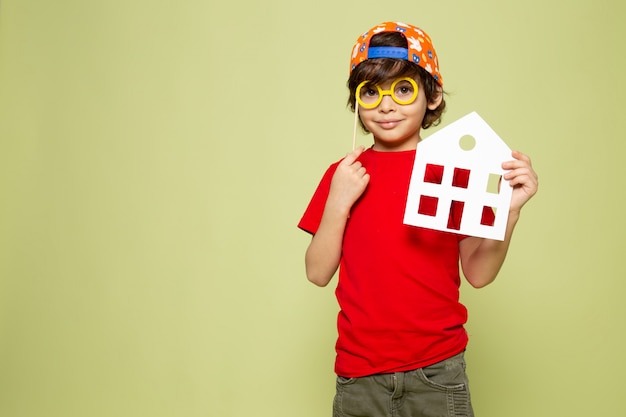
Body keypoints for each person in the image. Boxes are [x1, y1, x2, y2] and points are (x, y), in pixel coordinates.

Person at [298, 21, 538, 417]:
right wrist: (338, 203)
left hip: (438, 372)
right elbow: (317, 272)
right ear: (357, 102)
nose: (386, 105)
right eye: (371, 92)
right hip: (360, 375)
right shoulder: (342, 175)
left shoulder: (454, 171)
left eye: (403, 89)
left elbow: (478, 273)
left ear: (432, 95)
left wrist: (508, 212)